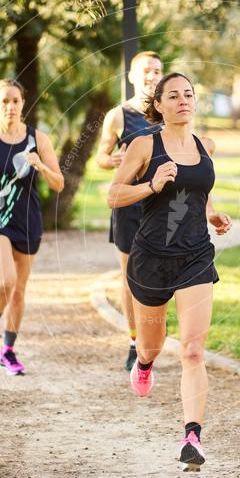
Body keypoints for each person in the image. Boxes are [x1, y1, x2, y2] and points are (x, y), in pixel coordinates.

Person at [107, 73, 232, 471]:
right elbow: (113, 194)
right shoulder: (145, 145)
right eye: (173, 95)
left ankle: (191, 435)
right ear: (158, 105)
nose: (183, 100)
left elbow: (201, 191)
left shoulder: (205, 146)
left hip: (195, 255)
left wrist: (212, 214)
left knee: (193, 349)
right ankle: (144, 365)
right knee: (153, 346)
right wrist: (151, 186)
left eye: (189, 94)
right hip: (151, 258)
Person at [0, 79, 64, 376]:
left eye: (16, 101)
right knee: (6, 278)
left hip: (27, 221)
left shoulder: (38, 140)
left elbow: (58, 183)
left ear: (23, 104)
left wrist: (41, 166)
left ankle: (8, 351)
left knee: (18, 291)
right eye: (4, 101)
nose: (10, 106)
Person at [96, 51, 163, 371]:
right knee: (130, 277)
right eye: (147, 71)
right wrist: (113, 161)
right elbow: (100, 157)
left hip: (163, 206)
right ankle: (135, 343)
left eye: (157, 72)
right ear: (133, 77)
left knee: (161, 275)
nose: (152, 77)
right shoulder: (118, 116)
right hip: (128, 205)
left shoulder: (169, 113)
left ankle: (155, 337)